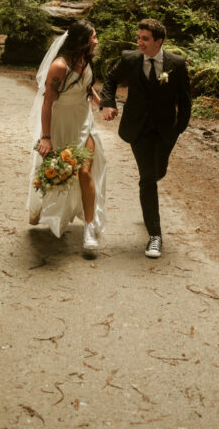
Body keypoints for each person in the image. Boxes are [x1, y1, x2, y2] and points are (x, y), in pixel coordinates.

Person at [99, 18, 191, 259]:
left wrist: (177, 130)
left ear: (158, 41)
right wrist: (107, 104)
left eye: (145, 39)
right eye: (138, 38)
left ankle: (155, 186)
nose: (139, 42)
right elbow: (109, 78)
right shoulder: (130, 59)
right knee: (147, 178)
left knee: (158, 171)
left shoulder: (177, 64)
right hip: (138, 129)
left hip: (165, 131)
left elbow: (185, 100)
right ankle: (155, 235)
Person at [27, 20, 105, 255]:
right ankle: (43, 208)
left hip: (84, 123)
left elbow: (87, 88)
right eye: (93, 36)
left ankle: (89, 228)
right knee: (59, 171)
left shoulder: (86, 61)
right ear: (82, 40)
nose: (97, 40)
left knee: (84, 171)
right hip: (61, 124)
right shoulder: (59, 67)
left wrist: (103, 106)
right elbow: (47, 102)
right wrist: (46, 137)